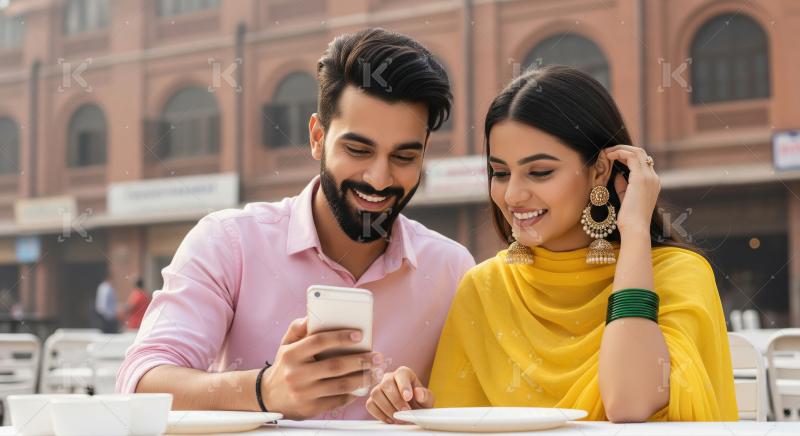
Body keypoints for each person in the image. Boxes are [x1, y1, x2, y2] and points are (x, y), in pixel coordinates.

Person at [116, 28, 475, 420]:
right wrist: (264, 389)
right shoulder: (229, 243)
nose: (378, 179)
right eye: (358, 150)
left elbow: (475, 406)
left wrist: (426, 410)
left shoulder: (452, 270)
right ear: (318, 137)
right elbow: (142, 384)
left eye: (404, 157)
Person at [367, 66, 737, 423]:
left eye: (540, 172)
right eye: (500, 173)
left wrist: (635, 230)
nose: (512, 195)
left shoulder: (678, 274)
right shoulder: (485, 287)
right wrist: (412, 406)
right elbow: (460, 421)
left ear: (599, 170)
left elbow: (630, 401)